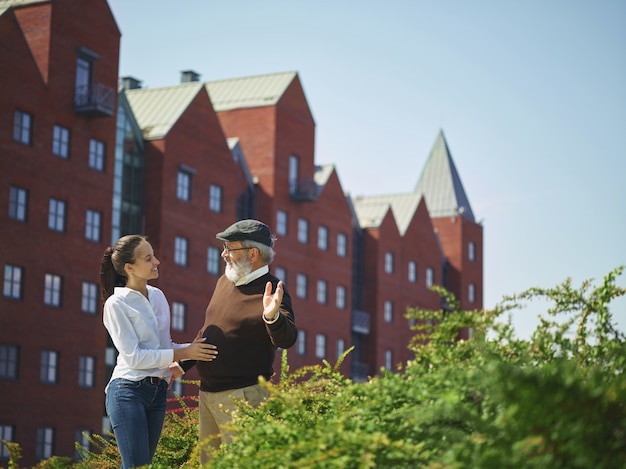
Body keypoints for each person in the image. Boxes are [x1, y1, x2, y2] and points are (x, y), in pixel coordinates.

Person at [180, 219, 298, 463]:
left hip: (243, 397)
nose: (224, 254)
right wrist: (181, 364)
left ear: (252, 253)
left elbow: (288, 338)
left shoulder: (273, 289)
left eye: (229, 249)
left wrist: (271, 315)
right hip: (208, 395)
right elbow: (209, 329)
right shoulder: (224, 282)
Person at [100, 234, 218, 469]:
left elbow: (164, 348)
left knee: (141, 465)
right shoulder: (116, 304)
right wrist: (184, 354)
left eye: (153, 255)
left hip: (157, 392)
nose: (157, 262)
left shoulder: (158, 296)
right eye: (148, 258)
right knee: (137, 466)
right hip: (127, 391)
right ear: (129, 268)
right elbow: (134, 357)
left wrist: (194, 351)